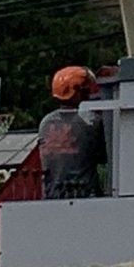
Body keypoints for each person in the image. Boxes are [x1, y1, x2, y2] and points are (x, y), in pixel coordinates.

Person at [38, 66, 106, 201]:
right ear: (80, 92)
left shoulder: (46, 122)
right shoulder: (90, 122)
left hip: (52, 196)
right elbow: (104, 156)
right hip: (87, 196)